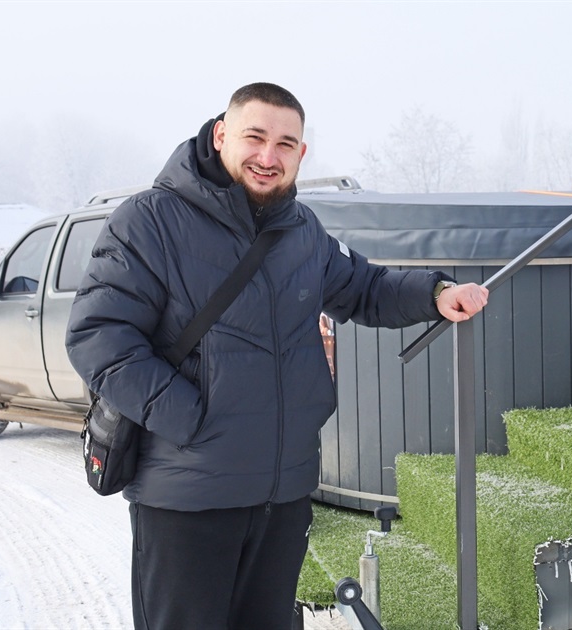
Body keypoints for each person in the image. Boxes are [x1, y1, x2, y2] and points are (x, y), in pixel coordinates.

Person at [65, 82, 488, 630]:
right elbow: (98, 335)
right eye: (255, 137)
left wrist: (435, 294)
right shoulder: (150, 221)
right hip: (187, 499)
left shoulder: (301, 231)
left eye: (286, 144)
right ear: (221, 136)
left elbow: (364, 288)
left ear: (301, 154)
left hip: (282, 496)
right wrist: (192, 418)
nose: (269, 157)